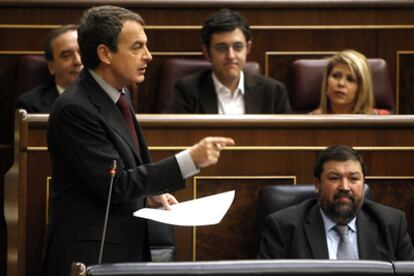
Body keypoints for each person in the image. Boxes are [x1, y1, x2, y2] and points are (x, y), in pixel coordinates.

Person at [42, 6, 234, 275]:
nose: (148, 55)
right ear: (104, 53)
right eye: (137, 47)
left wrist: (150, 194)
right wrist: (189, 160)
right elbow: (116, 185)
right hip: (89, 258)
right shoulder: (75, 108)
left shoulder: (119, 96)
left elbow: (122, 172)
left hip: (121, 248)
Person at [258, 145, 414, 260]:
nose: (345, 187)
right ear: (317, 184)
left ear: (363, 184)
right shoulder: (284, 227)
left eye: (353, 179)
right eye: (334, 178)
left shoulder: (392, 225)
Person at [163, 8, 291, 114]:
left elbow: (288, 140)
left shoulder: (273, 91)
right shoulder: (188, 90)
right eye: (221, 48)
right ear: (207, 52)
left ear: (248, 48)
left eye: (238, 47)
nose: (231, 55)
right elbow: (170, 137)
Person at [14, 24, 83, 113]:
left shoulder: (105, 96)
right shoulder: (29, 105)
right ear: (51, 66)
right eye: (66, 55)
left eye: (83, 52)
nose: (78, 61)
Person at [311, 50, 389, 115]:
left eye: (350, 79)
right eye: (335, 76)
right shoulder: (311, 121)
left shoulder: (382, 119)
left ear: (361, 88)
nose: (341, 83)